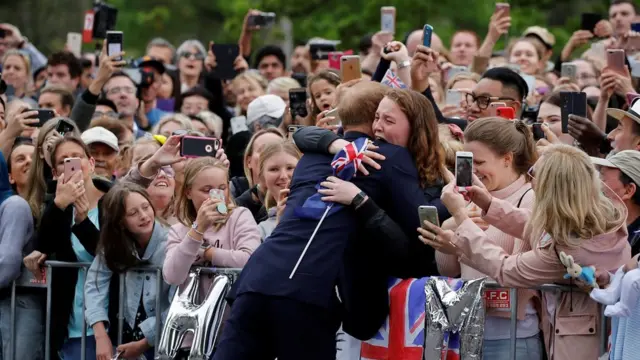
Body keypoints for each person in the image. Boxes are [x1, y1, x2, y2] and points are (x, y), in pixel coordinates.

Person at [212, 83, 433, 360]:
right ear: (373, 115)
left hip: (258, 278)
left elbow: (302, 135)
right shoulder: (388, 156)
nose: (380, 124)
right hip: (309, 291)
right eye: (380, 117)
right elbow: (420, 225)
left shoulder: (312, 156)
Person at [419, 144, 630, 359]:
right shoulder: (596, 221)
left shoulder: (566, 248)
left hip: (578, 346)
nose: (531, 181)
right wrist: (487, 202)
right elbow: (534, 226)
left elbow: (506, 269)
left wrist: (461, 218)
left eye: (535, 174)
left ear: (551, 188)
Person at [436, 118, 541, 360]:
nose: (473, 173)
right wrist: (448, 236)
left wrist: (461, 222)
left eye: (480, 163)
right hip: (467, 327)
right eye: (468, 163)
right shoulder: (472, 196)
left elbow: (512, 270)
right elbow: (450, 270)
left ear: (507, 158)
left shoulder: (530, 197)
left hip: (512, 334)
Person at [163, 157, 261, 358]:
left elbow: (250, 260)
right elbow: (172, 276)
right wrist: (197, 230)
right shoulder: (179, 230)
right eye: (206, 190)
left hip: (233, 331)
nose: (215, 196)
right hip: (193, 337)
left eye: (222, 188)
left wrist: (208, 253)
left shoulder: (240, 216)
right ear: (189, 192)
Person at [85, 182, 171, 360]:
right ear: (120, 222)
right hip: (128, 337)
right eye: (133, 213)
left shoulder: (171, 243)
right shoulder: (113, 244)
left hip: (163, 338)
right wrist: (101, 336)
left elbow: (177, 303)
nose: (144, 216)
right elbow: (94, 285)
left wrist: (145, 343)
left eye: (146, 207)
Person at [0, 147, 41, 360]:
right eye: (20, 158)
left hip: (22, 302)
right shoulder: (11, 205)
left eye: (33, 158)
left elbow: (7, 263)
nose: (28, 162)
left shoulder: (17, 205)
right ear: (9, 176)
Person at [592, 150, 640, 254]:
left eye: (602, 179)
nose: (596, 185)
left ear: (628, 190)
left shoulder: (636, 244)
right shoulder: (602, 225)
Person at [254, 141, 300, 240]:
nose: (283, 176)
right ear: (262, 178)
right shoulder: (260, 231)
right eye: (274, 169)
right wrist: (280, 227)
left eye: (290, 168)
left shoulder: (321, 209)